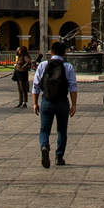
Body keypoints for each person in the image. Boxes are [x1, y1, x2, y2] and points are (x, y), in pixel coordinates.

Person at [32, 40, 77, 168]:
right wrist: (74, 105)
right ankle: (59, 156)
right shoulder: (68, 67)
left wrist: (35, 103)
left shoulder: (42, 65)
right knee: (62, 130)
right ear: (64, 53)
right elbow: (73, 87)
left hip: (47, 101)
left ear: (50, 52)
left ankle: (44, 145)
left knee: (44, 129)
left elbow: (35, 86)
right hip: (62, 101)